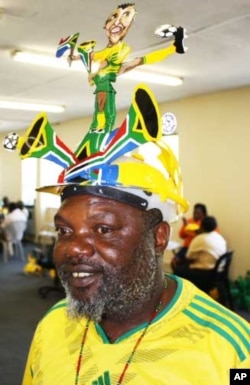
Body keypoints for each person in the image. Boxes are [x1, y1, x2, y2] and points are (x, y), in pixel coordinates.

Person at [21, 86, 249, 385]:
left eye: (103, 229)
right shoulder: (52, 323)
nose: (74, 248)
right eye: (65, 230)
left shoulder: (232, 349)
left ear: (158, 237)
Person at [70, 3, 187, 134]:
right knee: (137, 62)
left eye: (126, 16)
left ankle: (101, 127)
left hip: (107, 75)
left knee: (103, 99)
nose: (118, 21)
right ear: (106, 25)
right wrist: (75, 57)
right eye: (114, 16)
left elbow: (105, 63)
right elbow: (94, 55)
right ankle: (174, 47)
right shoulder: (109, 49)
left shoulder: (120, 47)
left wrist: (93, 74)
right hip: (108, 74)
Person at [171, 202, 208, 267]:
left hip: (197, 250)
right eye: (194, 213)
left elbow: (202, 237)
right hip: (186, 248)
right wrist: (185, 226)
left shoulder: (206, 224)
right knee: (174, 261)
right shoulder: (189, 221)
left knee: (184, 263)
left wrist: (190, 229)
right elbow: (181, 235)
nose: (195, 215)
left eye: (198, 213)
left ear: (204, 215)